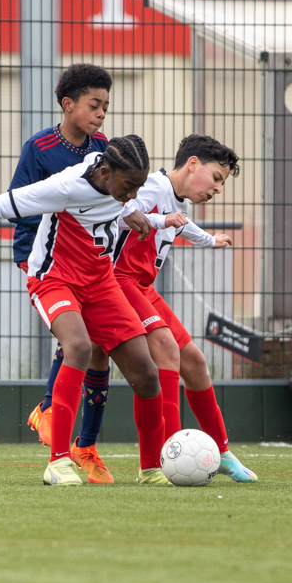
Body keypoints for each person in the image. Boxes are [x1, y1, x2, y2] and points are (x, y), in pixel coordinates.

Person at [0, 136, 173, 486]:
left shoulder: (113, 179)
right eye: (129, 187)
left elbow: (117, 202)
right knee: (78, 346)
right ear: (107, 173)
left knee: (146, 373)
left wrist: (133, 212)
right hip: (54, 280)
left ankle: (151, 469)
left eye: (138, 187)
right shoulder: (65, 187)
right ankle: (58, 463)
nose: (134, 195)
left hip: (101, 282)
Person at [111, 134, 258, 482]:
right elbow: (119, 213)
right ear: (192, 164)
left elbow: (182, 224)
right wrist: (160, 221)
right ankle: (170, 456)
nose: (217, 188)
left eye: (221, 183)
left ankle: (222, 452)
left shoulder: (180, 203)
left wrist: (209, 240)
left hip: (142, 287)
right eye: (216, 178)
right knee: (165, 348)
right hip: (118, 280)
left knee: (194, 361)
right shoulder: (152, 186)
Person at [6, 63, 117, 484]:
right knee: (77, 338)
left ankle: (83, 444)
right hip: (43, 257)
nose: (101, 114)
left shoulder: (103, 148)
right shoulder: (39, 147)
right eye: (94, 104)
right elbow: (18, 203)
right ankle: (51, 411)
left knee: (94, 344)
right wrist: (34, 252)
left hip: (89, 260)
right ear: (68, 104)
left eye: (106, 106)